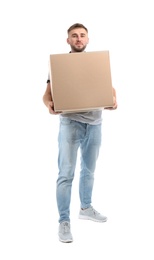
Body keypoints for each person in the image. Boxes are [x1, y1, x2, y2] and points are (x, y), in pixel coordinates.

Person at [43, 23, 117, 243]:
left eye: (82, 36)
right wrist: (49, 105)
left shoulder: (96, 62)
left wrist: (113, 101)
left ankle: (85, 207)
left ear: (87, 39)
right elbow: (47, 94)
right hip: (70, 123)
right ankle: (63, 221)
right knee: (66, 173)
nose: (78, 39)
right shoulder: (59, 65)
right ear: (68, 40)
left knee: (89, 170)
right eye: (74, 36)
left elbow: (110, 88)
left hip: (95, 124)